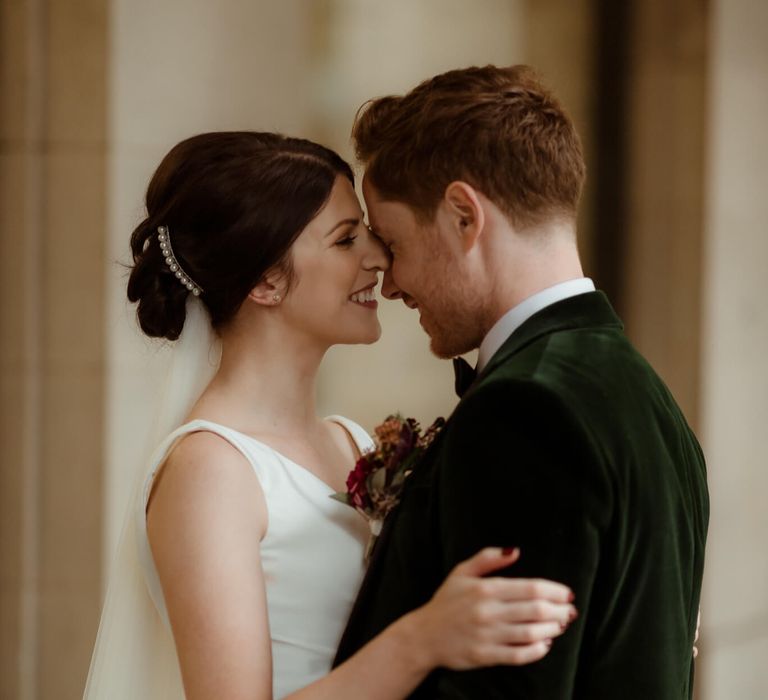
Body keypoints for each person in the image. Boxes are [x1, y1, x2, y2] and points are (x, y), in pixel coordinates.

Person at [83, 132, 579, 700]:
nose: (379, 258)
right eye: (347, 240)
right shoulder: (211, 470)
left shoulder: (351, 443)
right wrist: (422, 641)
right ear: (266, 281)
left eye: (368, 233)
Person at [334, 65, 709, 699]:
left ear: (463, 216)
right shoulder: (651, 400)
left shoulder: (525, 411)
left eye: (393, 243)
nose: (389, 282)